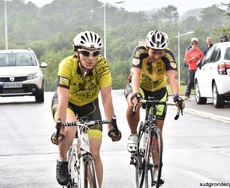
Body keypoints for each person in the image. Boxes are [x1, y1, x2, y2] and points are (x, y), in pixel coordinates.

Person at [51, 31, 122, 187]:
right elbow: (63, 98)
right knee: (70, 128)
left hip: (90, 106)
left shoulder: (102, 66)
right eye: (85, 53)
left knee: (95, 153)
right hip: (67, 104)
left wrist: (111, 126)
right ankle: (62, 160)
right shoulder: (66, 65)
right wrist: (60, 129)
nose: (90, 58)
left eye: (95, 53)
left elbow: (106, 98)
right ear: (77, 52)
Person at [124, 30, 185, 184]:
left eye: (160, 52)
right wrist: (136, 93)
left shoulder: (168, 55)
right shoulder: (140, 52)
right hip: (141, 87)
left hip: (159, 90)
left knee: (158, 129)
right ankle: (133, 134)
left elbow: (172, 77)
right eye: (154, 52)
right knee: (134, 103)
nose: (157, 56)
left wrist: (177, 95)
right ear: (147, 47)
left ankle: (157, 168)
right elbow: (135, 74)